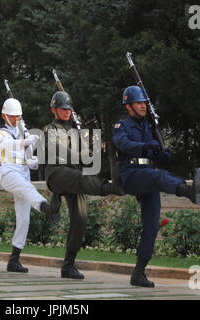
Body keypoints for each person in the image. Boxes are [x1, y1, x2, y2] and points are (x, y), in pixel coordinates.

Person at [112, 85, 200, 288]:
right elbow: (123, 145)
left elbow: (152, 153)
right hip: (130, 176)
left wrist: (160, 154)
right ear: (128, 106)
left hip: (147, 176)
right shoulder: (122, 126)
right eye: (138, 103)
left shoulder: (147, 126)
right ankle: (188, 190)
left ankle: (138, 273)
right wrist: (145, 147)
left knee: (152, 225)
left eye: (144, 102)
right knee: (158, 176)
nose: (143, 106)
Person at [42, 91, 124, 280]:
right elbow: (56, 149)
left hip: (74, 175)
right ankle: (110, 188)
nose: (66, 112)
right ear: (53, 109)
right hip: (56, 173)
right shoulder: (50, 129)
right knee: (81, 178)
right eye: (63, 109)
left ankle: (68, 265)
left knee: (81, 219)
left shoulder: (76, 131)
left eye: (69, 109)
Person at [0, 98, 61, 273]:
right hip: (8, 172)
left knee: (24, 219)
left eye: (18, 116)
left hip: (23, 171)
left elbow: (28, 158)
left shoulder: (22, 132)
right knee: (27, 189)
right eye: (12, 116)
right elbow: (4, 147)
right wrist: (24, 142)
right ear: (3, 115)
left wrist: (32, 161)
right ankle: (46, 207)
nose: (16, 119)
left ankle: (14, 260)